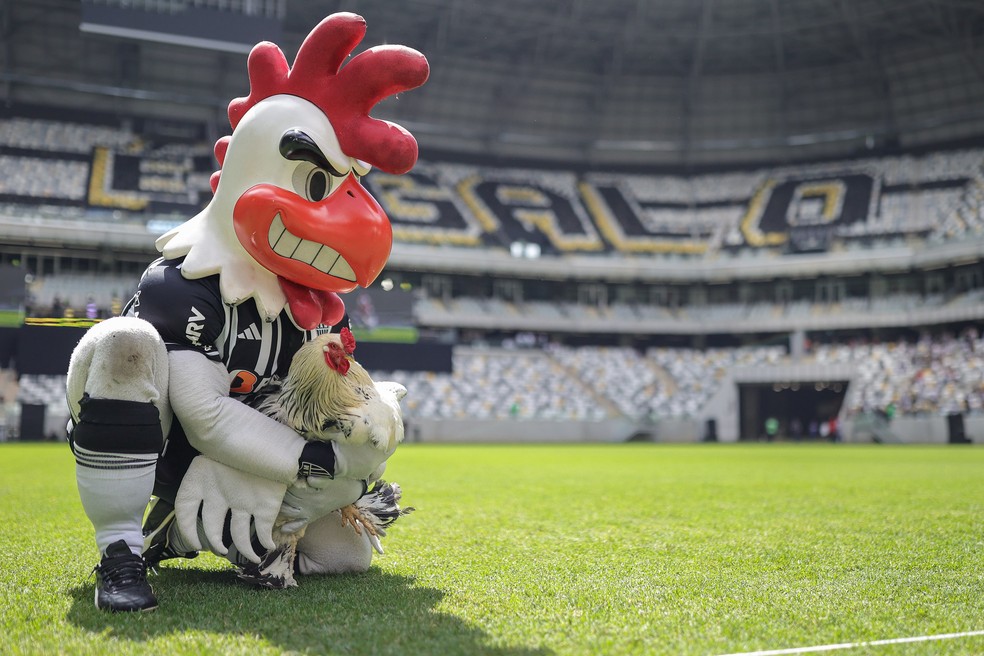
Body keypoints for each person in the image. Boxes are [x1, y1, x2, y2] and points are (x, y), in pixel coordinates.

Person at [64, 13, 428, 612]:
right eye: (317, 183)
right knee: (125, 341)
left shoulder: (318, 307)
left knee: (343, 555)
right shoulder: (182, 285)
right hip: (162, 448)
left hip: (252, 460)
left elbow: (317, 412)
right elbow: (203, 416)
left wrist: (347, 468)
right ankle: (121, 546)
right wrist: (315, 463)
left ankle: (205, 534)